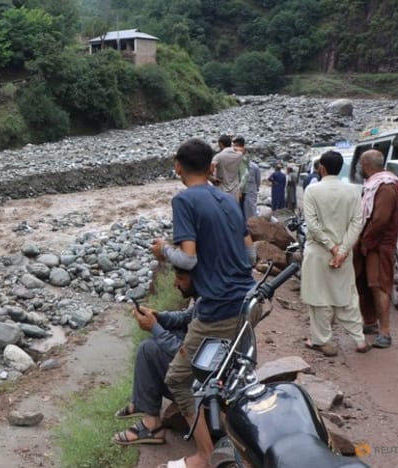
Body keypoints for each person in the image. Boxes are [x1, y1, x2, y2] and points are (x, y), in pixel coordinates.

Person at [150, 138, 256, 468]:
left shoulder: (184, 201)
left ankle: (205, 456)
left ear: (177, 165)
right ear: (211, 167)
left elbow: (188, 260)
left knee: (178, 379)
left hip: (218, 309)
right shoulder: (227, 198)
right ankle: (242, 443)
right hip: (249, 300)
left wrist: (162, 250)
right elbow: (251, 254)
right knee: (235, 375)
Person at [112, 269, 197, 446]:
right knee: (164, 336)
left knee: (149, 348)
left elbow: (185, 354)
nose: (175, 284)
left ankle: (152, 425)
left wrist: (155, 328)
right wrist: (159, 317)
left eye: (180, 278)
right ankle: (142, 403)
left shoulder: (214, 306)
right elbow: (187, 317)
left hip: (200, 390)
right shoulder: (210, 295)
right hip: (201, 373)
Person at [301, 150, 370, 356]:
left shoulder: (312, 191)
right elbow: (357, 223)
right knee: (347, 295)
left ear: (321, 167)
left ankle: (323, 341)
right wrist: (342, 250)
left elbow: (312, 225)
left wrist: (331, 247)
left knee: (319, 297)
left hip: (318, 252)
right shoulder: (353, 191)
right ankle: (359, 340)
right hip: (344, 253)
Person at [353, 149, 398, 349]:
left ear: (366, 165)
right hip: (371, 244)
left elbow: (380, 220)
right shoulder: (375, 185)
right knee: (365, 285)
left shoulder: (385, 187)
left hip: (378, 246)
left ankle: (385, 332)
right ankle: (370, 322)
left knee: (379, 286)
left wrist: (366, 242)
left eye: (360, 165)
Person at [210, 135, 244, 200]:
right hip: (234, 189)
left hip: (221, 188)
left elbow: (211, 168)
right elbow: (243, 149)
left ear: (220, 144)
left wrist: (212, 178)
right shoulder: (239, 155)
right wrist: (233, 148)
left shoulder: (219, 156)